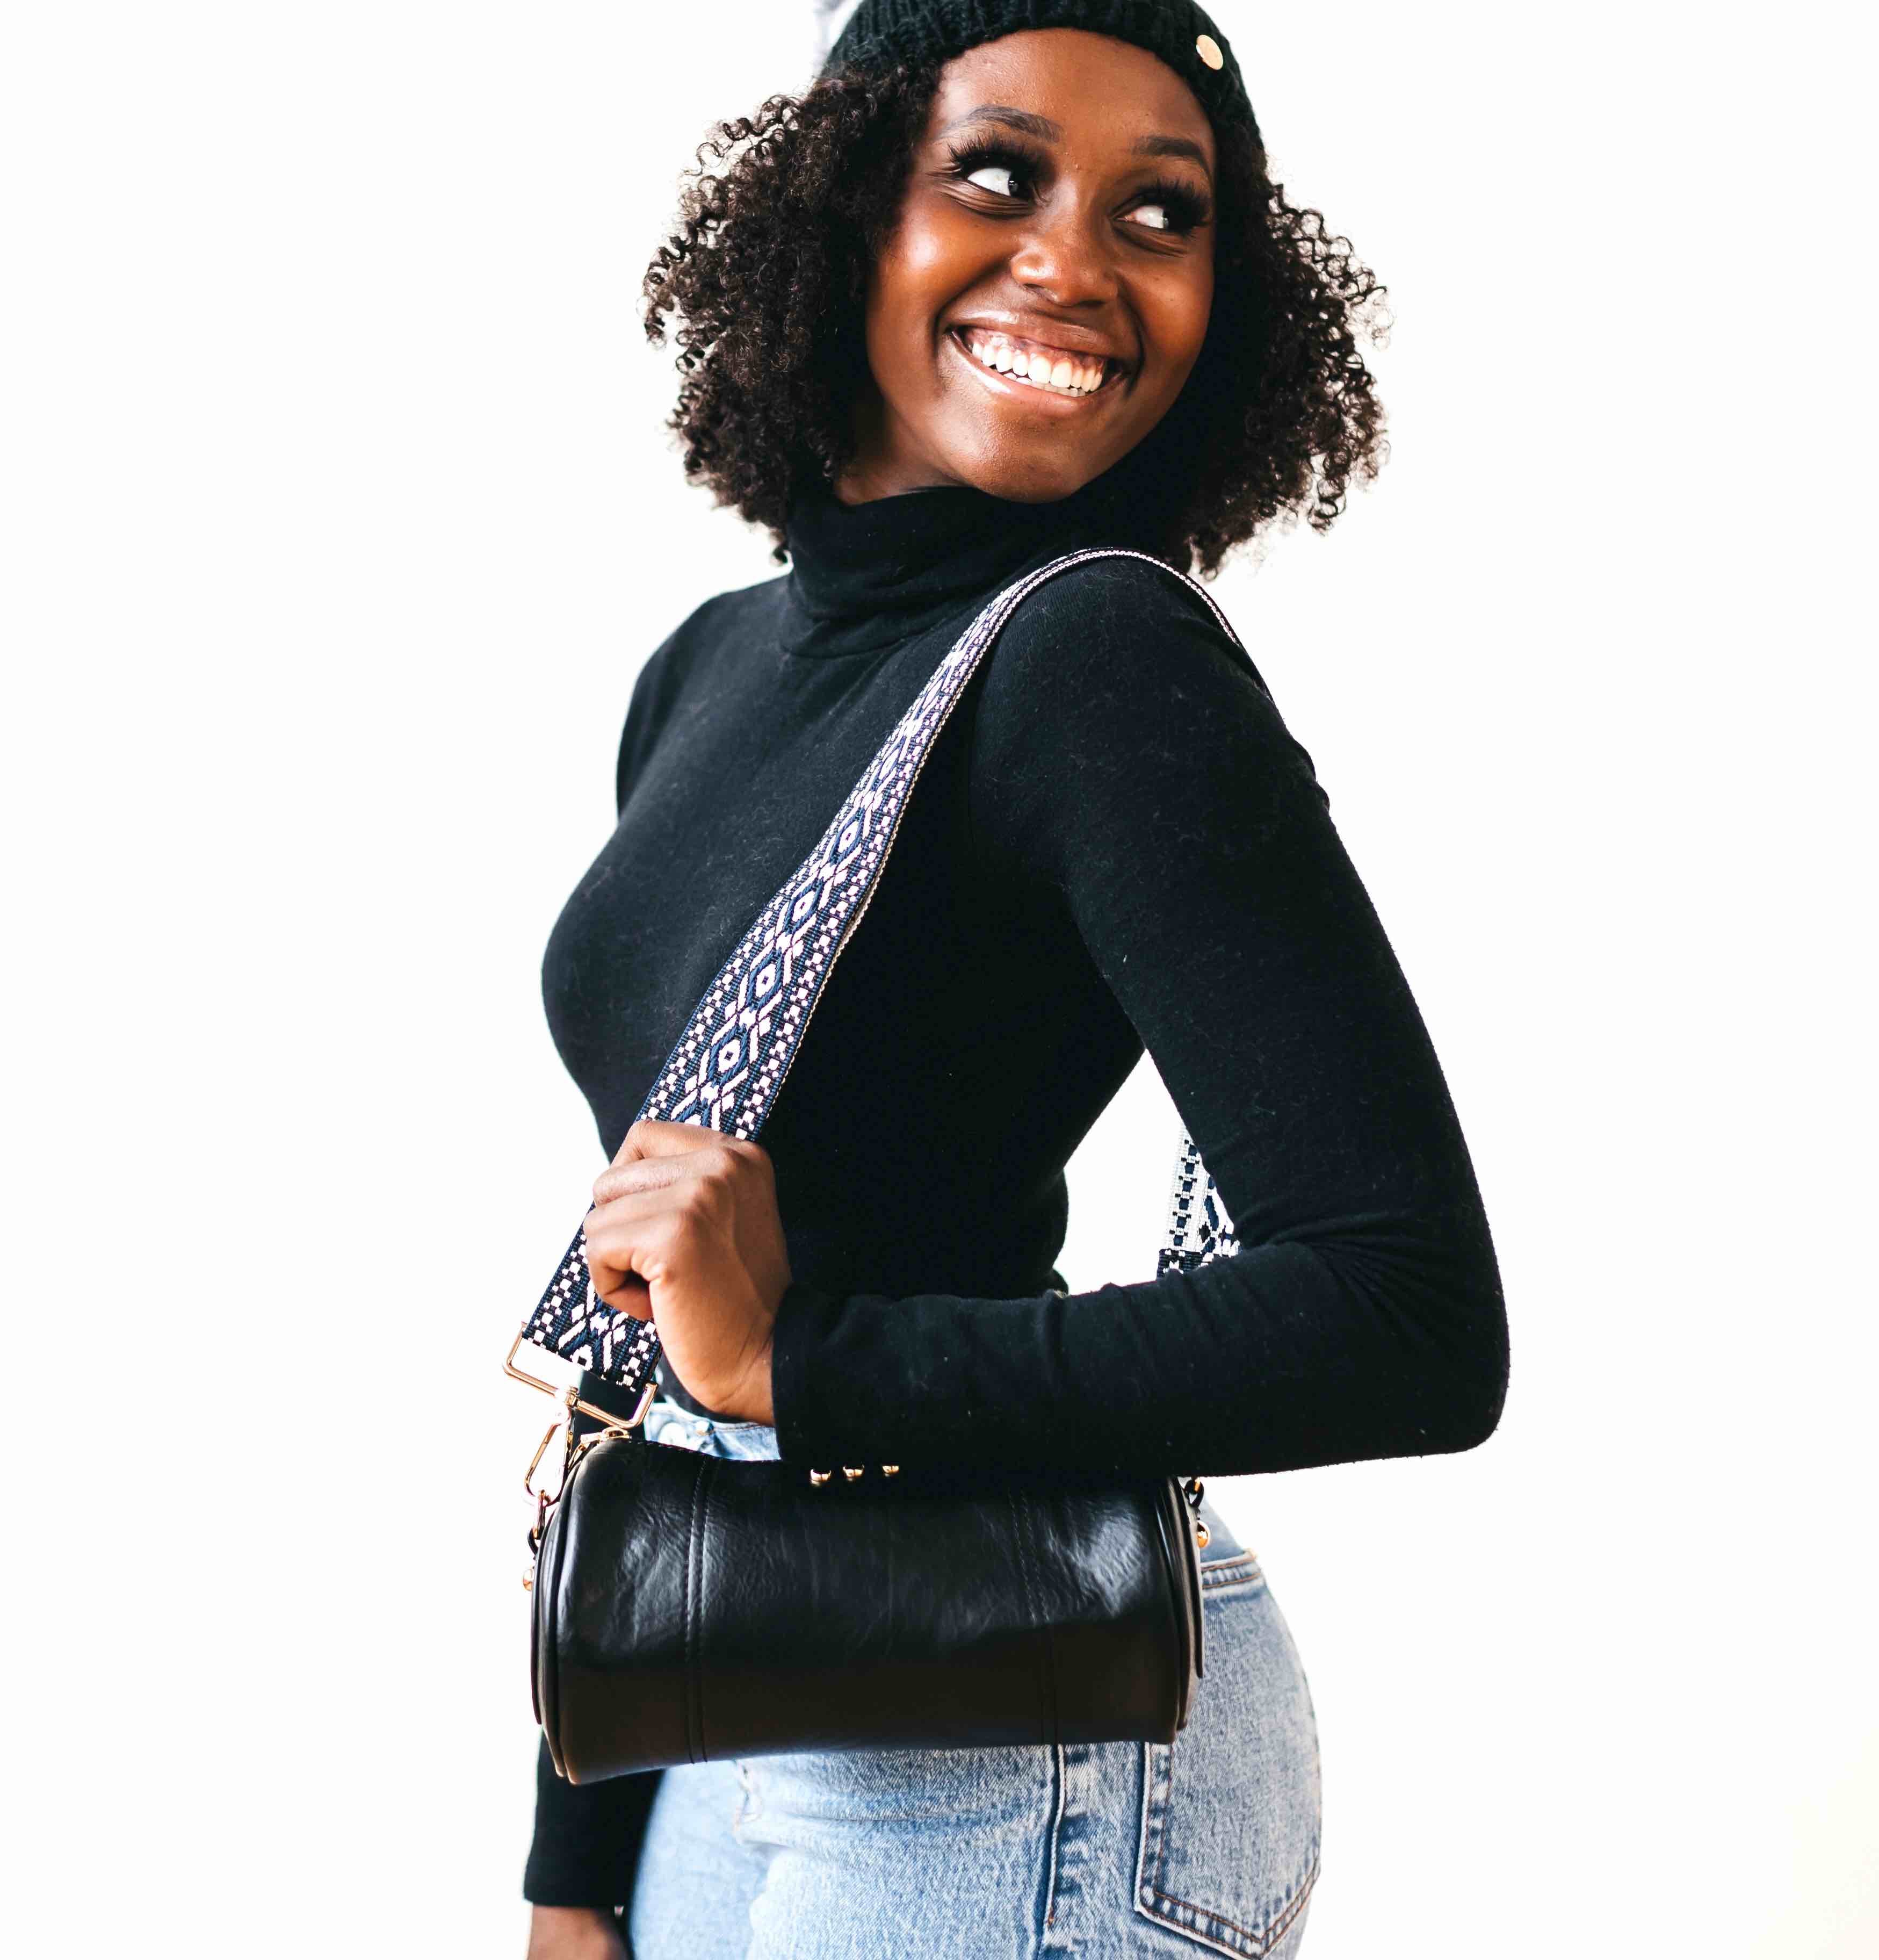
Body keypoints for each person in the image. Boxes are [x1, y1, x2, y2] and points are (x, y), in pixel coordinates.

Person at [522, 3, 1508, 1954]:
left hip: (1018, 1745)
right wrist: (576, 1858)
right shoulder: (709, 669)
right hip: (726, 1667)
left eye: (1162, 214)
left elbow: (1413, 1315)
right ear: (836, 212)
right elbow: (656, 1294)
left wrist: (801, 1366)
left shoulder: (1097, 658)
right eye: (995, 176)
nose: (1074, 262)